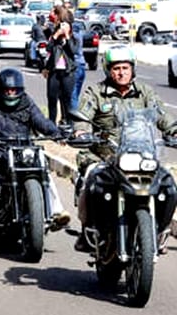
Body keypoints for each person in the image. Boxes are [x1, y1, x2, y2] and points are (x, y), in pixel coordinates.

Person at [72, 46, 177, 252]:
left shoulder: (145, 92)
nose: (121, 73)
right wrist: (81, 132)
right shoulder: (96, 92)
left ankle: (158, 231)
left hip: (141, 155)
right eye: (116, 68)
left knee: (168, 183)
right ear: (108, 70)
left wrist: (174, 131)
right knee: (90, 180)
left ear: (133, 69)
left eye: (125, 68)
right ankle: (88, 230)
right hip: (103, 155)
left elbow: (161, 114)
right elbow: (83, 117)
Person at [0, 67, 70, 234]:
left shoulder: (27, 103)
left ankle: (57, 212)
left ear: (20, 90)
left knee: (45, 170)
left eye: (14, 90)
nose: (11, 93)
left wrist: (57, 134)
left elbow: (41, 122)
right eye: (7, 90)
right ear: (0, 90)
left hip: (24, 151)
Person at [43, 6, 76, 126]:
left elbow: (73, 50)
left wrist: (67, 35)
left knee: (66, 99)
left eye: (54, 14)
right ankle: (51, 124)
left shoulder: (72, 34)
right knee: (52, 98)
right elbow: (48, 49)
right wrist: (56, 35)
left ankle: (68, 124)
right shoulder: (54, 33)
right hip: (54, 71)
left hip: (67, 71)